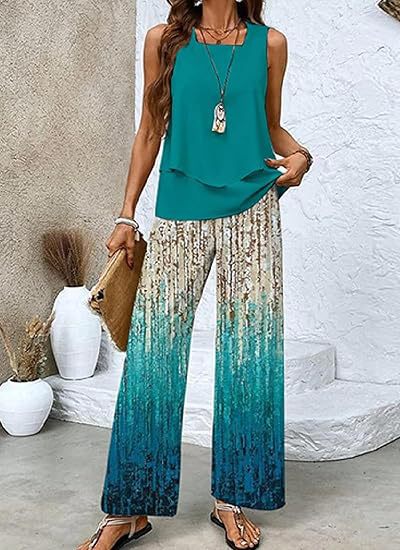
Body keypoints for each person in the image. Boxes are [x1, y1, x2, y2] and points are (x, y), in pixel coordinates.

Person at [78, 0, 313, 548]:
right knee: (154, 354)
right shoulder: (165, 40)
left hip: (254, 210)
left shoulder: (270, 44)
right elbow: (149, 130)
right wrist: (126, 215)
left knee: (249, 355)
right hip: (180, 208)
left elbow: (270, 127)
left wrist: (301, 155)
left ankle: (231, 499)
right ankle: (127, 509)